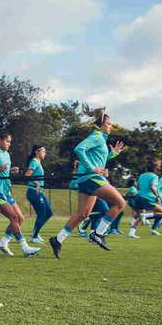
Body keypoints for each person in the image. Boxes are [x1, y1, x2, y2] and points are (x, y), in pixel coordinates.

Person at [48, 108, 126, 258]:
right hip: (91, 178)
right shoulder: (96, 136)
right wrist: (93, 169)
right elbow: (79, 149)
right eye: (109, 124)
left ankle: (57, 240)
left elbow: (98, 160)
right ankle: (99, 233)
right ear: (101, 125)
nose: (111, 126)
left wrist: (112, 154)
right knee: (120, 203)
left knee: (83, 214)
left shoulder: (100, 139)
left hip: (86, 180)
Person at [0, 132, 40, 257]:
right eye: (7, 141)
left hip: (6, 191)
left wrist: (11, 171)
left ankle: (3, 242)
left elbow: (3, 172)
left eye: (10, 141)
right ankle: (25, 248)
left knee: (20, 218)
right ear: (0, 141)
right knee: (13, 218)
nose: (9, 144)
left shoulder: (7, 155)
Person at [127, 159, 162, 238]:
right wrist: (158, 197)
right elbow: (153, 187)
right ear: (155, 167)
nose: (160, 166)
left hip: (138, 197)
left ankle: (131, 233)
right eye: (159, 165)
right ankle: (145, 216)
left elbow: (138, 187)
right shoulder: (154, 176)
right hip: (148, 198)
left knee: (141, 216)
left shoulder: (142, 175)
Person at [24, 145, 52, 243]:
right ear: (37, 152)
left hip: (40, 192)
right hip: (33, 192)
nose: (45, 153)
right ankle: (34, 237)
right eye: (43, 151)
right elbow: (27, 175)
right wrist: (36, 183)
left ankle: (35, 233)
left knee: (49, 213)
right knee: (42, 213)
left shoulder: (38, 163)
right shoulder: (34, 162)